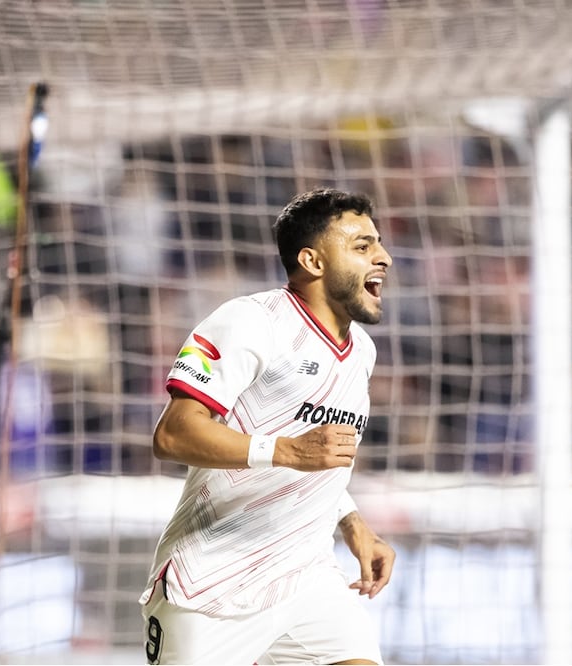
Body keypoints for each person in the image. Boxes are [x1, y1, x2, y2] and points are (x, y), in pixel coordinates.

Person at [139, 187, 397, 665]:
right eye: (362, 246)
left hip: (306, 577)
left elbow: (313, 448)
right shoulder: (249, 321)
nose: (382, 257)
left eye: (377, 244)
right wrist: (285, 451)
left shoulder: (362, 351)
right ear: (312, 261)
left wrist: (353, 523)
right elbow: (173, 434)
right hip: (213, 585)